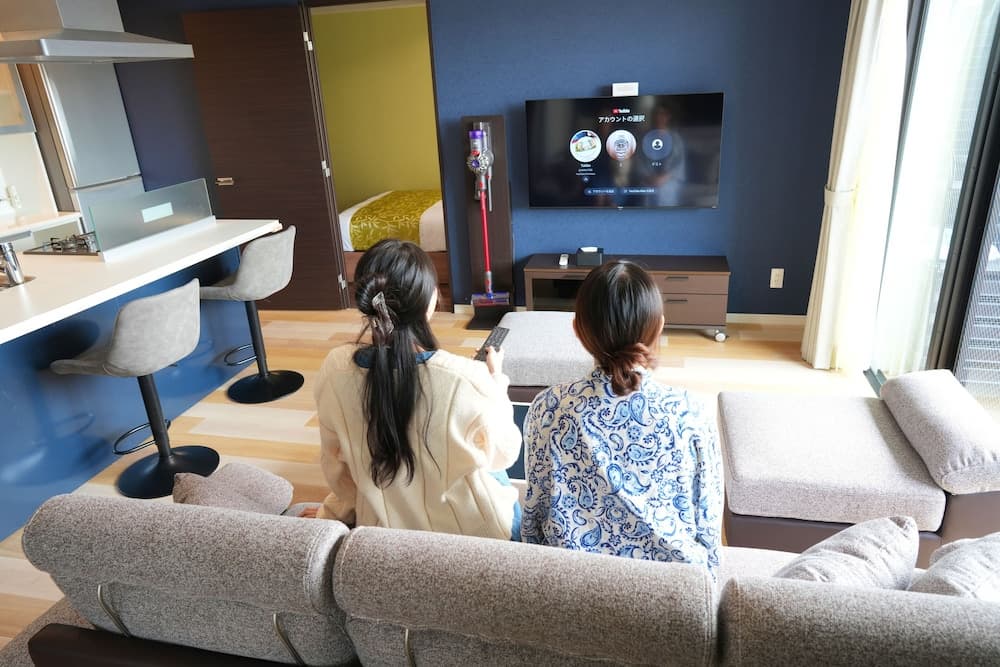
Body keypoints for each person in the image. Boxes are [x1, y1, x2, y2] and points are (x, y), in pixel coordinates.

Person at [304, 239, 522, 541]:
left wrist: (332, 513)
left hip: (383, 536)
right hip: (476, 541)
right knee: (492, 468)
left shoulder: (334, 369)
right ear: (430, 300)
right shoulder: (468, 378)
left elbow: (337, 466)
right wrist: (496, 381)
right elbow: (505, 454)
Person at [520, 260, 723, 574]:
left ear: (578, 330)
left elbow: (534, 516)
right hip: (674, 589)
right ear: (659, 327)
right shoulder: (692, 412)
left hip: (569, 585)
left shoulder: (548, 408)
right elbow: (708, 526)